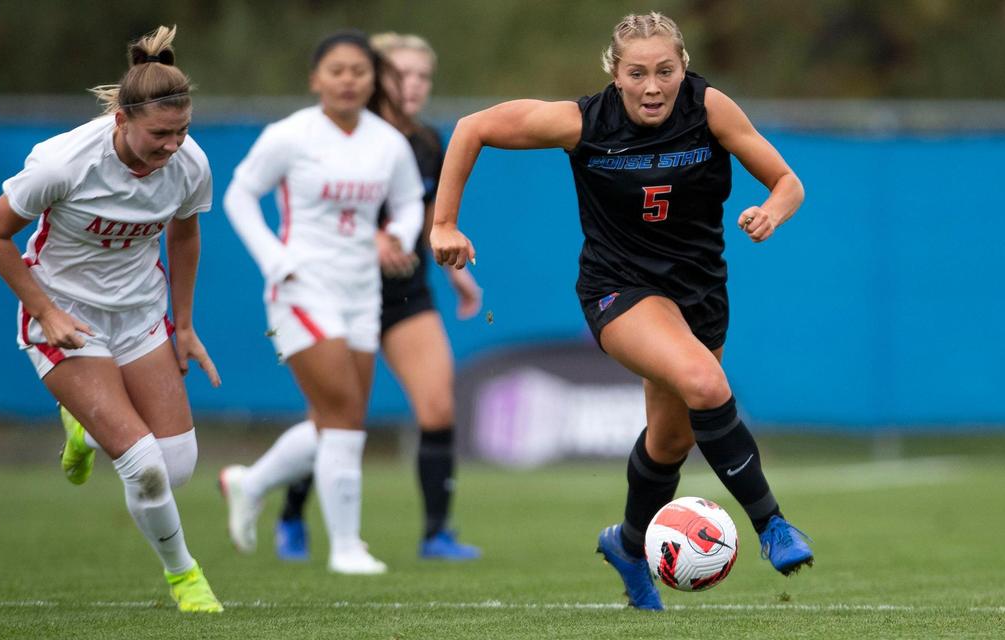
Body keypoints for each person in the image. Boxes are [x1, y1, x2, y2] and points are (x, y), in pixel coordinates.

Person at [430, 12, 814, 609]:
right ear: (615, 74)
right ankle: (773, 526)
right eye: (637, 73)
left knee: (669, 443)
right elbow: (471, 127)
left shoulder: (710, 108)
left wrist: (773, 210)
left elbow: (788, 182)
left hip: (701, 295)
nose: (653, 86)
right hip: (620, 290)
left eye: (666, 70)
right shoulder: (582, 121)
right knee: (705, 382)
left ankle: (629, 546)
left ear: (684, 67)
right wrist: (445, 222)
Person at [0, 26, 223, 613]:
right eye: (160, 134)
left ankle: (84, 425)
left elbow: (185, 234)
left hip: (139, 315)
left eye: (182, 131)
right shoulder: (62, 163)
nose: (172, 146)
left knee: (177, 467)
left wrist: (183, 324)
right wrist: (45, 311)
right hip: (66, 316)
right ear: (122, 120)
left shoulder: (189, 164)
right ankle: (184, 575)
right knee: (144, 468)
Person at [272, 32, 483, 564]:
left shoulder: (428, 142)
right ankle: (291, 513)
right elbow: (316, 209)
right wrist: (368, 238)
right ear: (374, 78)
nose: (411, 86)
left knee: (437, 405)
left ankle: (437, 533)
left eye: (422, 76)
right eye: (399, 75)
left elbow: (432, 214)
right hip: (335, 292)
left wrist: (456, 271)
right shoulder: (338, 138)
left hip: (406, 291)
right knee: (337, 419)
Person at [219, 30, 424, 576]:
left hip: (362, 291)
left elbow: (408, 204)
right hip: (302, 286)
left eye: (359, 70)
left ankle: (251, 482)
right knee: (344, 418)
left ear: (373, 80)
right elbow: (238, 194)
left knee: (336, 417)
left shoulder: (387, 141)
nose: (349, 79)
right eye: (337, 69)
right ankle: (347, 548)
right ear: (316, 78)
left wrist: (398, 236)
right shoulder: (290, 136)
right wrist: (273, 258)